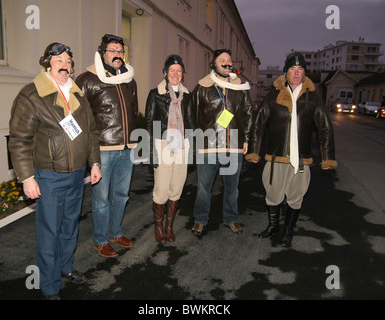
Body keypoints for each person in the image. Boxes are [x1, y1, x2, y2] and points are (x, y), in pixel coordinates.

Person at [9, 42, 102, 299]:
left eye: (68, 61)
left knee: (69, 226)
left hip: (75, 175)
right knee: (49, 231)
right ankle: (49, 286)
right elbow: (19, 139)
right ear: (47, 63)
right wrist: (27, 178)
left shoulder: (78, 94)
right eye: (59, 59)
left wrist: (94, 163)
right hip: (48, 176)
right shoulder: (32, 94)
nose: (65, 64)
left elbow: (92, 133)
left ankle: (65, 267)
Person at [246, 52, 337, 247]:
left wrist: (327, 157)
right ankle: (273, 226)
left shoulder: (313, 99)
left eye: (300, 69)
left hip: (301, 160)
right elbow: (258, 125)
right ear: (286, 72)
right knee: (272, 195)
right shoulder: (273, 95)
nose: (296, 73)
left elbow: (325, 129)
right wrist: (254, 151)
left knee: (296, 198)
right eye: (292, 69)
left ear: (304, 72)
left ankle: (288, 231)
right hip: (276, 157)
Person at [76, 34, 138, 258]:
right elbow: (78, 117)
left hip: (127, 147)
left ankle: (115, 233)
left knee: (121, 194)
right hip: (103, 149)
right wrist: (87, 150)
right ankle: (100, 240)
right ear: (103, 53)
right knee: (101, 198)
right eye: (112, 50)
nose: (117, 55)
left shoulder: (129, 80)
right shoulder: (87, 79)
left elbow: (133, 113)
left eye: (120, 51)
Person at [191, 49, 253, 236]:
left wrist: (247, 138)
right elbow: (193, 116)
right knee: (203, 187)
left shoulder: (240, 87)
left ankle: (231, 218)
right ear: (214, 64)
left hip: (233, 146)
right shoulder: (202, 87)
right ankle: (200, 219)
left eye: (229, 59)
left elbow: (248, 114)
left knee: (232, 188)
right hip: (209, 146)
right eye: (222, 60)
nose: (227, 62)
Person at [145, 55, 196, 243]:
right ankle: (158, 227)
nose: (176, 74)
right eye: (172, 70)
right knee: (161, 189)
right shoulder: (155, 94)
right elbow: (149, 124)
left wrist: (192, 149)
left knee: (177, 188)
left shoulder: (188, 96)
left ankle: (169, 226)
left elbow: (191, 123)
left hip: (182, 145)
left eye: (179, 71)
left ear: (183, 74)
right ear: (166, 73)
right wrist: (151, 151)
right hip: (162, 144)